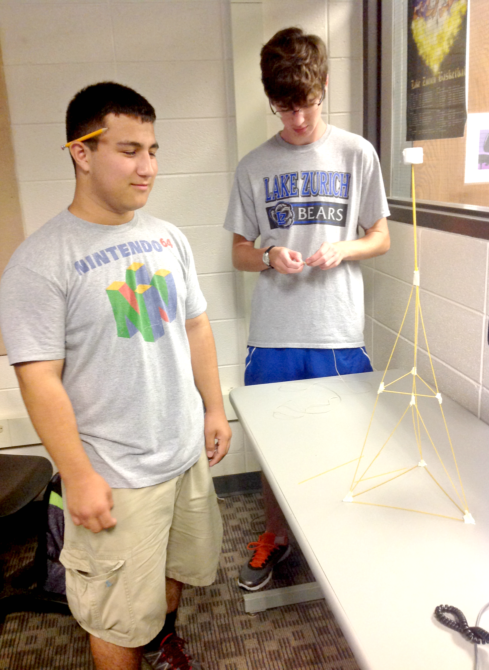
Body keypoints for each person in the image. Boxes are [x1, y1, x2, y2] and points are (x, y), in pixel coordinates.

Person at [0, 82, 231, 670]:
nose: (148, 166)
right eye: (129, 150)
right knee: (114, 616)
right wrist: (77, 476)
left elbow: (197, 328)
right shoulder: (40, 261)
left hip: (182, 456)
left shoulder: (167, 237)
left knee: (174, 573)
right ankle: (139, 644)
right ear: (82, 152)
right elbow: (39, 379)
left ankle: (163, 643)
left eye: (153, 150)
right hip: (117, 474)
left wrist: (212, 409)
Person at [223, 27, 390, 592]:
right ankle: (278, 535)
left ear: (324, 86)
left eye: (308, 104)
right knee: (275, 447)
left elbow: (381, 237)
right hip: (274, 334)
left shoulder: (356, 153)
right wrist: (270, 256)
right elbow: (239, 254)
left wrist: (346, 246)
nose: (297, 120)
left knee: (346, 442)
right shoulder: (252, 165)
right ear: (271, 99)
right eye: (284, 107)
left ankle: (342, 537)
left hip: (338, 330)